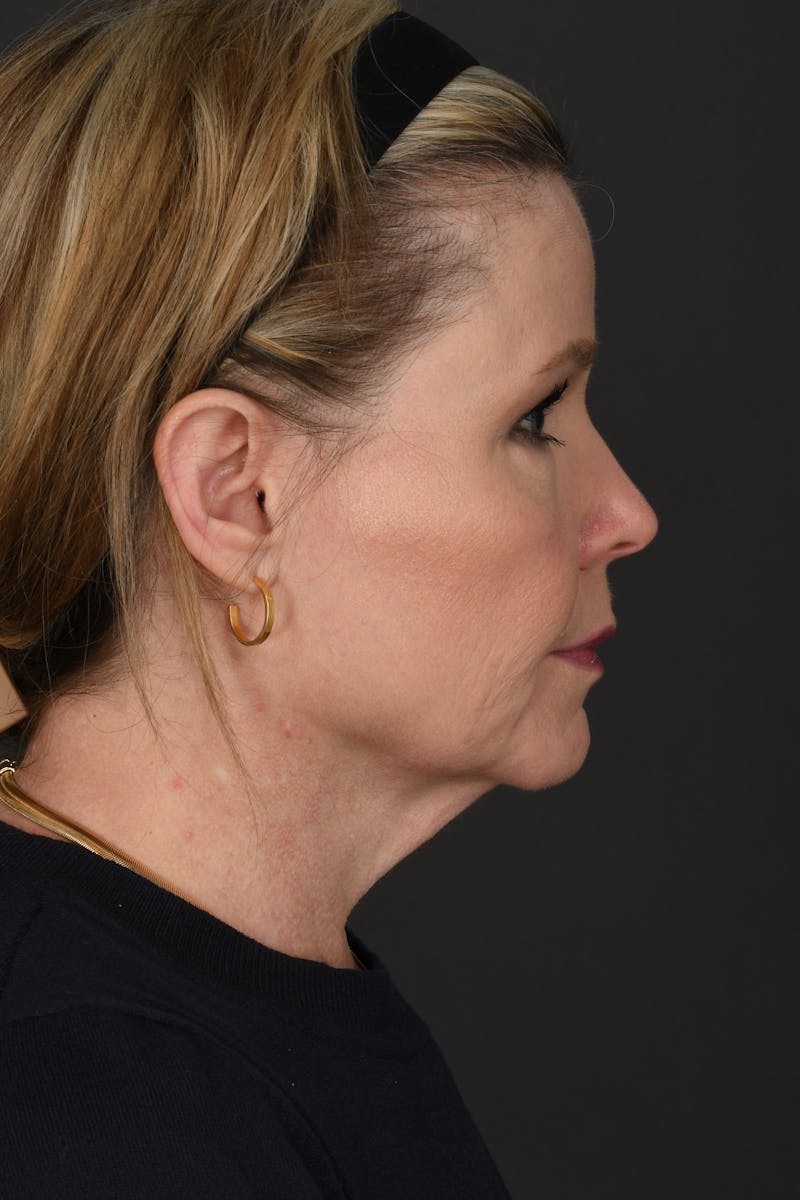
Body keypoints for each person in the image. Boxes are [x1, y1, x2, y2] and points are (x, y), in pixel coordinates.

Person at [0, 1, 658, 1195]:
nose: (626, 514)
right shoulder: (93, 1109)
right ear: (237, 494)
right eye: (531, 419)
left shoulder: (201, 1020)